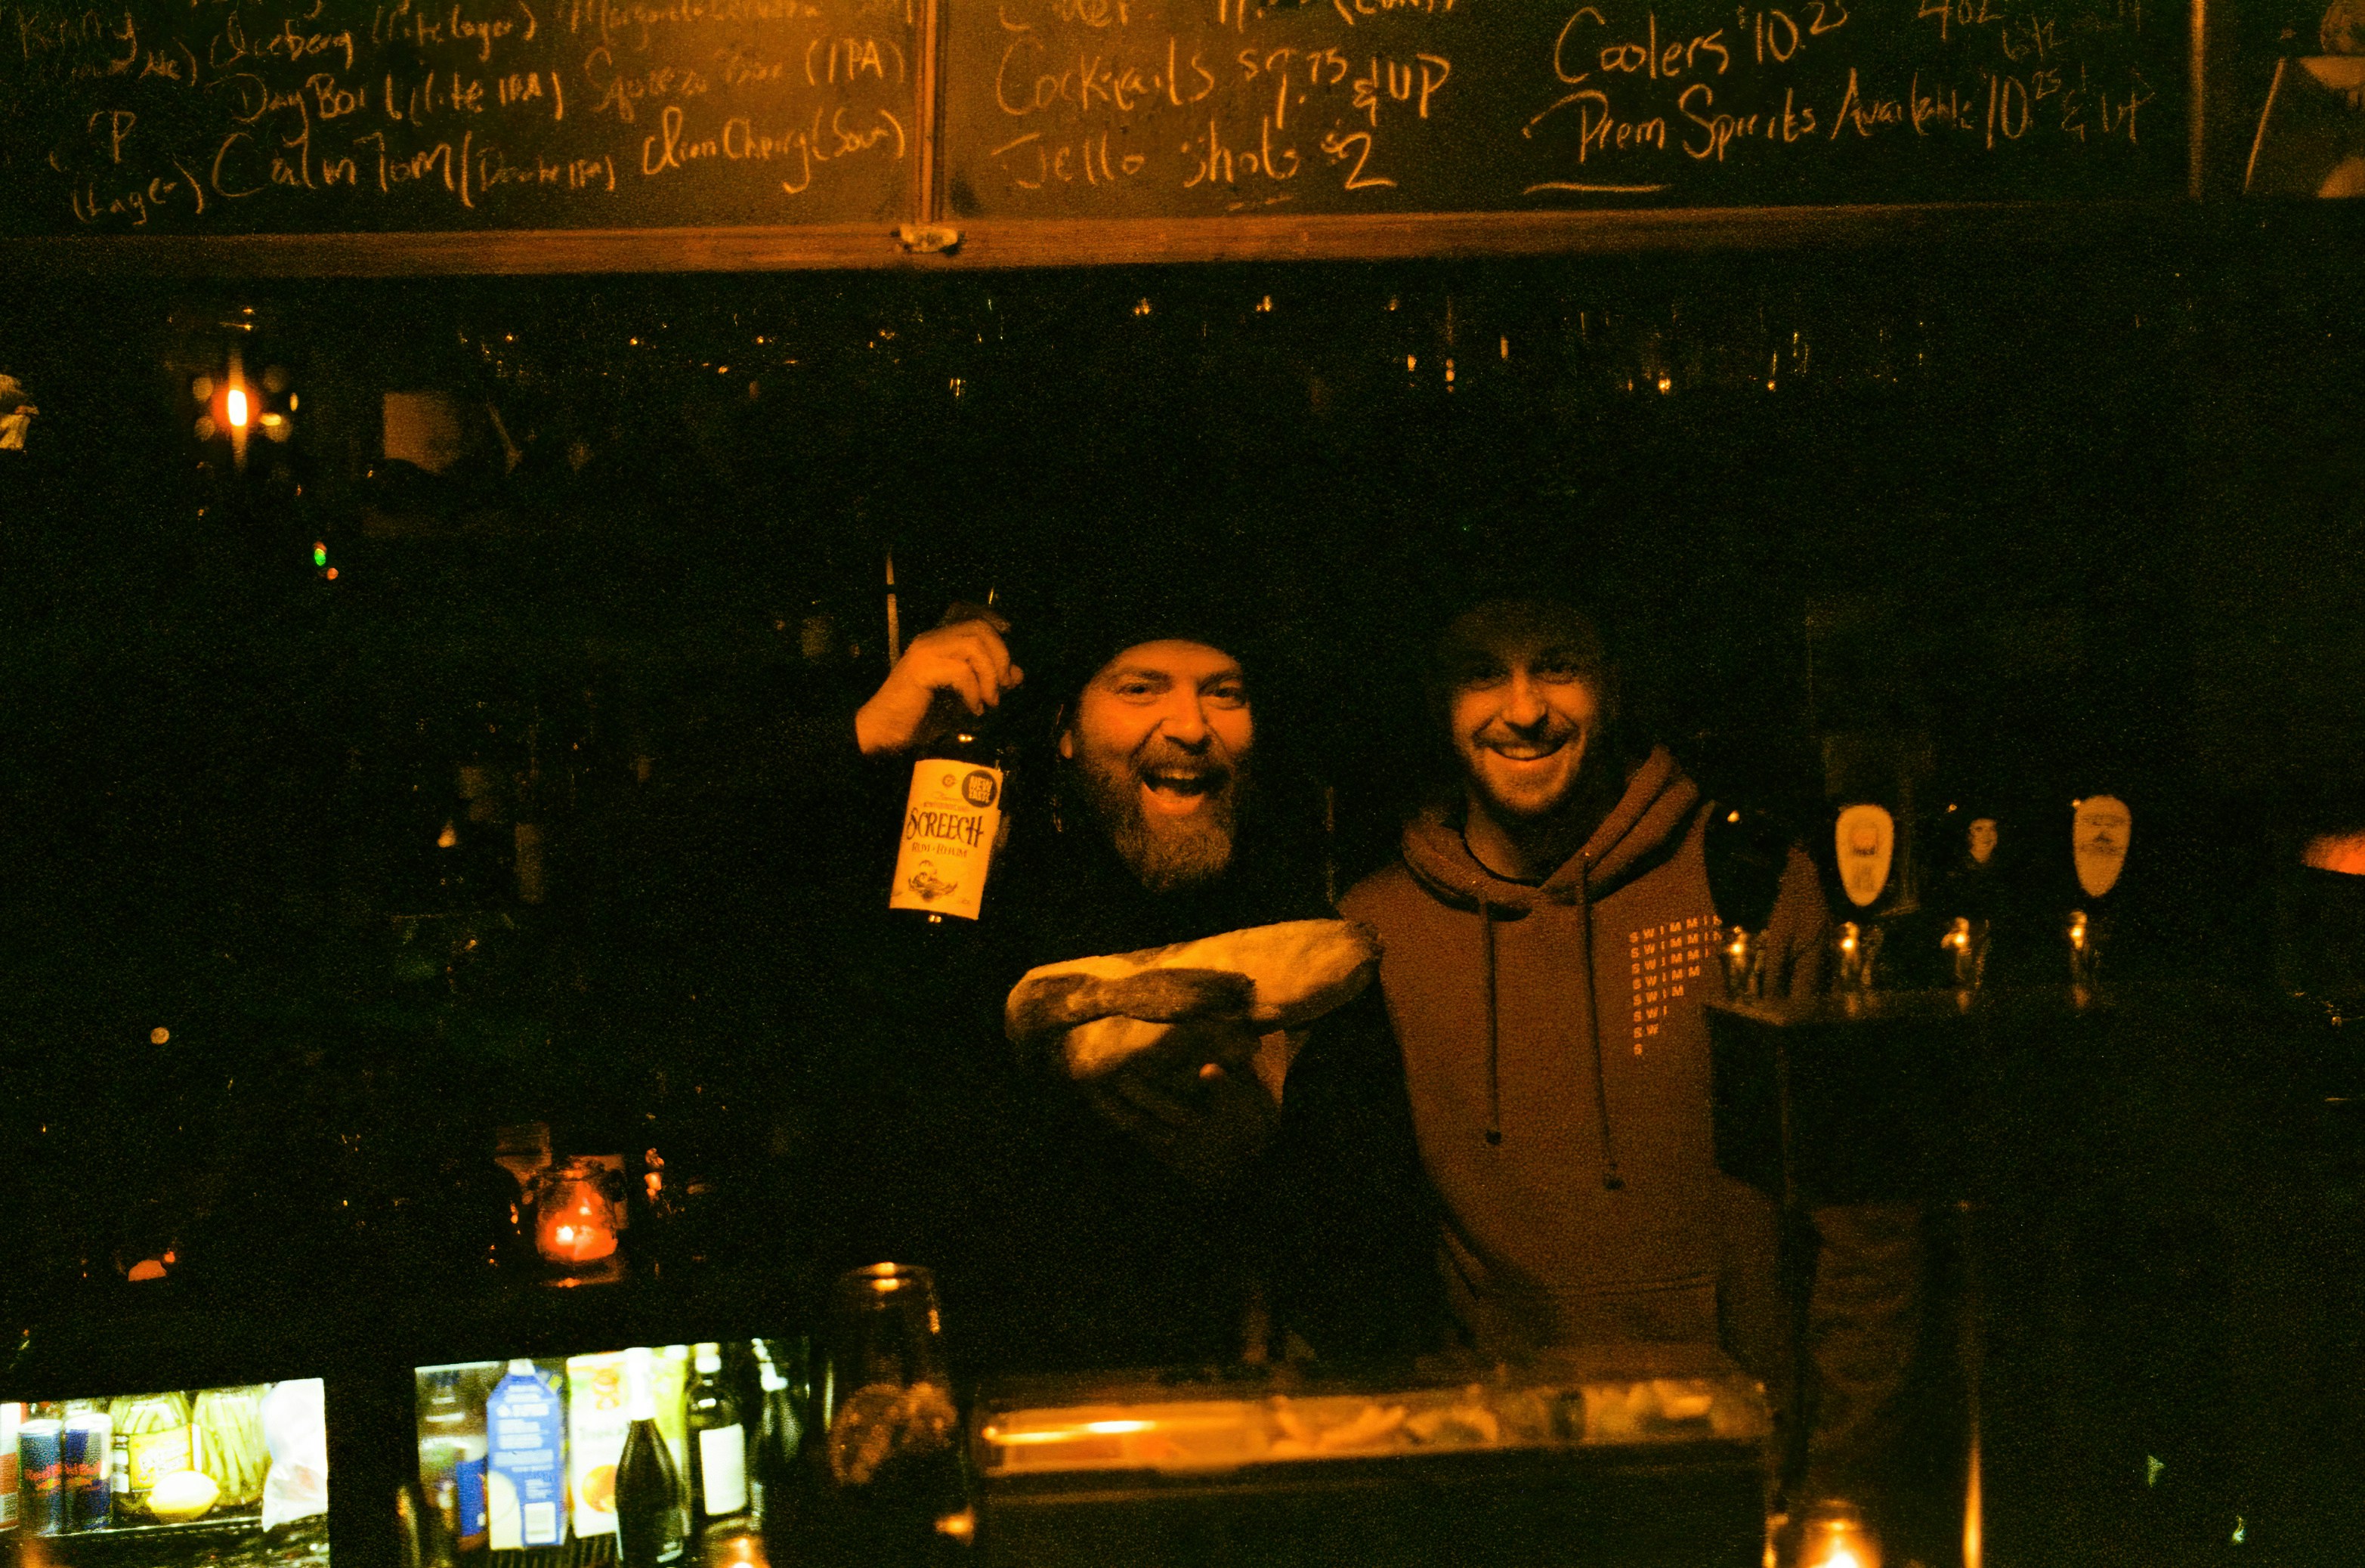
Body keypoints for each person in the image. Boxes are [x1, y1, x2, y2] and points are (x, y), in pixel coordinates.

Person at [1338, 593, 1918, 1503]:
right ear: (1434, 701)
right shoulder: (1371, 929)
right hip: (1492, 1483)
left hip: (1737, 1470)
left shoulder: (1757, 888)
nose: (1524, 709)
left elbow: (1867, 1224)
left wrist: (1836, 1482)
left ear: (1613, 683)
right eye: (1482, 671)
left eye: (1557, 664)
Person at [822, 588, 1430, 1373]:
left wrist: (1257, 1164)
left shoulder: (1305, 948)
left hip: (1240, 1434)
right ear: (1066, 732)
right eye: (1140, 688)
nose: (1188, 724)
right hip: (1013, 1417)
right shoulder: (971, 914)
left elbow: (1379, 1252)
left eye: (1224, 692)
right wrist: (865, 738)